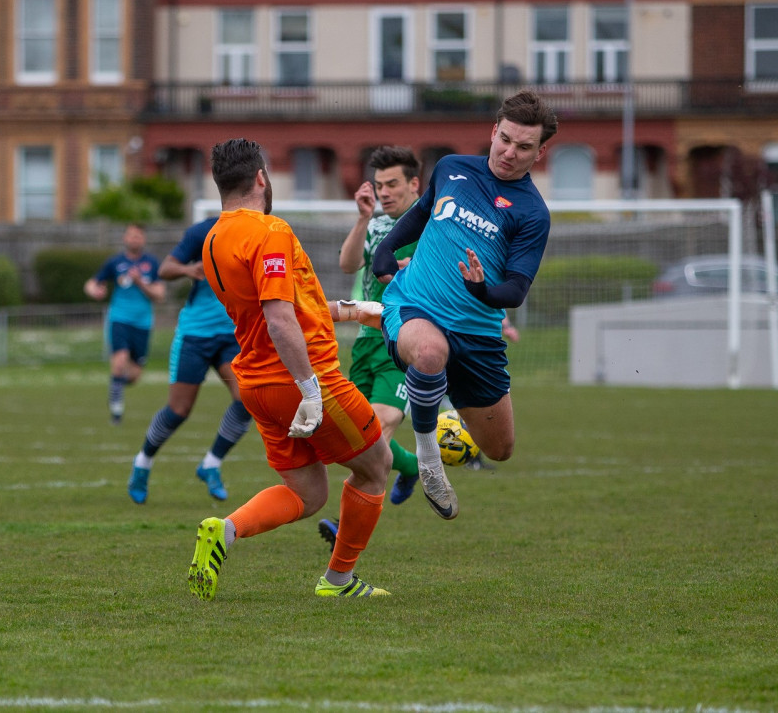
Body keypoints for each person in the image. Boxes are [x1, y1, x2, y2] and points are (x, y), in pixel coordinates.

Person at [188, 137, 393, 599]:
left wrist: (349, 310)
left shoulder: (213, 239)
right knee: (375, 466)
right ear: (262, 176)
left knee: (308, 494)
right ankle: (337, 580)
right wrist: (312, 390)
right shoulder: (270, 231)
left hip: (257, 384)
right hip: (303, 378)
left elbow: (282, 307)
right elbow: (280, 318)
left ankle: (227, 530)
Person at [371, 89, 558, 520]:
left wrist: (482, 291)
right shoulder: (452, 168)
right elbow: (421, 211)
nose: (510, 152)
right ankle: (428, 461)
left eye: (524, 146)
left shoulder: (532, 213)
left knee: (501, 448)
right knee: (431, 353)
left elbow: (515, 291)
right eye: (505, 139)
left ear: (540, 152)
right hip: (415, 305)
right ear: (493, 131)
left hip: (476, 334)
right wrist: (389, 246)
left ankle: (441, 407)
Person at [126, 217, 253, 504]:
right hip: (195, 334)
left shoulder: (259, 231)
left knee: (248, 398)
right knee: (179, 409)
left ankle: (211, 464)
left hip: (232, 336)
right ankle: (142, 463)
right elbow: (165, 269)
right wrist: (189, 269)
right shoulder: (203, 231)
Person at [337, 146, 422, 506]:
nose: (384, 191)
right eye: (378, 184)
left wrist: (417, 271)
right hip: (367, 338)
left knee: (380, 423)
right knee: (354, 432)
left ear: (414, 184)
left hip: (404, 339)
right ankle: (412, 466)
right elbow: (347, 265)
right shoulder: (375, 225)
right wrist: (361, 219)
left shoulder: (433, 224)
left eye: (392, 184)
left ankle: (347, 520)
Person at [83, 224, 166, 424]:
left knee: (134, 375)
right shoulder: (115, 262)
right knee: (119, 361)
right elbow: (92, 283)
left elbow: (160, 295)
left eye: (138, 236)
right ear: (124, 238)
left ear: (143, 239)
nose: (134, 239)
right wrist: (94, 291)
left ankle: (116, 385)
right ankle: (116, 412)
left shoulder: (152, 263)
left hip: (143, 323)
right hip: (119, 318)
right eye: (131, 235)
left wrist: (140, 283)